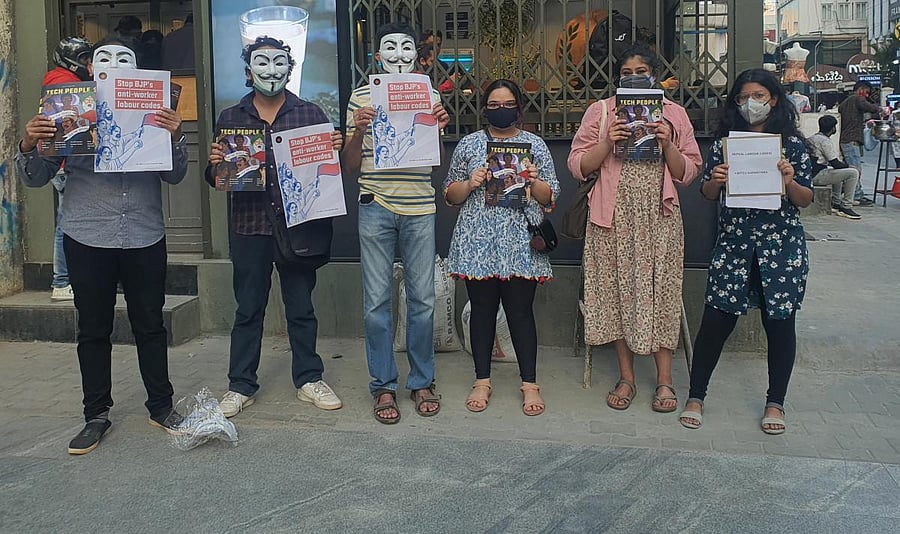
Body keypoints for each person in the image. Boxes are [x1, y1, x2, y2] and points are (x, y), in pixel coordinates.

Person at [17, 37, 188, 455]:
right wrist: (30, 143)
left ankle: (161, 406)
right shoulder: (67, 109)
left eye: (124, 59)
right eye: (104, 59)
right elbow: (35, 178)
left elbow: (176, 177)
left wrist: (176, 137)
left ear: (136, 67)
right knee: (93, 328)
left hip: (145, 232)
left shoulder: (155, 110)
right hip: (87, 233)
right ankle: (96, 414)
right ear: (91, 69)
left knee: (150, 324)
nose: (114, 64)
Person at [206, 36, 344, 418]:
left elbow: (325, 173)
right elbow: (218, 180)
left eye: (279, 62)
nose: (272, 70)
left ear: (291, 68)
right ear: (248, 71)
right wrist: (216, 164)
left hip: (297, 227)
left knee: (301, 307)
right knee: (248, 309)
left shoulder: (311, 114)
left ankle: (308, 378)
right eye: (262, 63)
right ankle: (240, 385)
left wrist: (332, 148)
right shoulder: (231, 118)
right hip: (249, 227)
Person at [567, 44, 702, 413]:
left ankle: (664, 381)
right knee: (613, 293)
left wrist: (667, 143)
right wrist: (607, 140)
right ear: (617, 77)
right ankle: (626, 377)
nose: (633, 77)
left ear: (655, 74)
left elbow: (689, 171)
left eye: (641, 70)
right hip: (611, 217)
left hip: (659, 219)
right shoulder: (601, 111)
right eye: (626, 72)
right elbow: (577, 165)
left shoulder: (673, 113)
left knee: (663, 293)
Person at [680, 68, 813, 435]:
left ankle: (776, 403)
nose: (750, 104)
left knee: (780, 324)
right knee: (715, 322)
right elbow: (707, 193)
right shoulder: (725, 143)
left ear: (774, 99)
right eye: (742, 97)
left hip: (780, 249)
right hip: (735, 245)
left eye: (758, 96)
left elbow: (806, 199)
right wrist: (716, 180)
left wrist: (788, 181)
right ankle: (696, 396)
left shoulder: (792, 145)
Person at [344, 22, 450, 424]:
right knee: (376, 304)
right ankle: (383, 385)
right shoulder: (359, 97)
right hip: (374, 204)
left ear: (417, 56)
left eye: (407, 48)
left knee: (422, 300)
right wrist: (358, 132)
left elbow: (433, 161)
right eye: (391, 48)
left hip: (420, 206)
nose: (399, 54)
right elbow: (350, 166)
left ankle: (422, 380)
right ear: (378, 57)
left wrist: (437, 127)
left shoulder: (429, 94)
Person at [444, 79, 559, 416]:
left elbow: (550, 197)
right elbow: (449, 194)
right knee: (481, 312)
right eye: (493, 105)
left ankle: (529, 383)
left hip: (520, 241)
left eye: (507, 103)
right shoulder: (469, 144)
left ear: (518, 107)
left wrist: (533, 179)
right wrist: (470, 183)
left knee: (520, 312)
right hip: (477, 240)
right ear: (484, 109)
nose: (500, 110)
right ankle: (482, 379)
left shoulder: (534, 145)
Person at [44, 37, 94, 302]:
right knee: (66, 225)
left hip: (64, 162)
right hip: (66, 162)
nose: (89, 64)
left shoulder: (56, 79)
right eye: (86, 58)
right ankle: (61, 281)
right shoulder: (67, 84)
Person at [838, 80, 883, 206]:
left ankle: (855, 193)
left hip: (845, 139)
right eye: (867, 92)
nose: (867, 95)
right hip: (851, 140)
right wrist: (880, 108)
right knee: (856, 169)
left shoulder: (845, 102)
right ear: (861, 89)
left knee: (851, 169)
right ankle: (856, 195)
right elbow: (870, 107)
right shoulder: (858, 99)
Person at [808, 115, 862, 219]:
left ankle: (836, 202)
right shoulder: (824, 141)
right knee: (852, 173)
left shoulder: (812, 138)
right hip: (816, 175)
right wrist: (852, 166)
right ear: (833, 128)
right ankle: (846, 206)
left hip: (812, 173)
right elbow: (835, 163)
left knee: (838, 172)